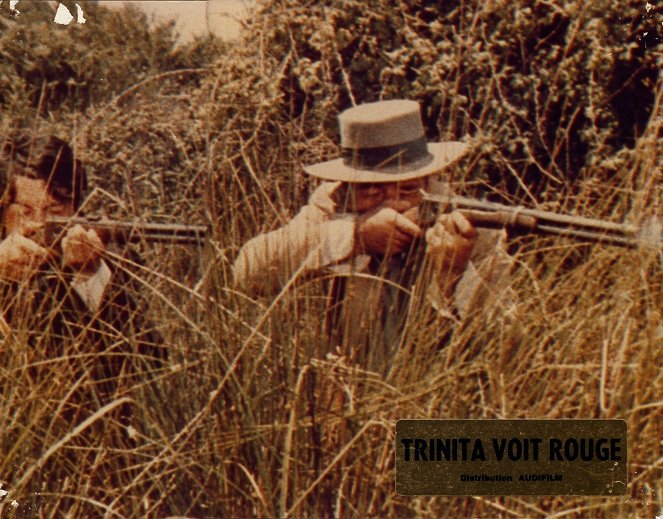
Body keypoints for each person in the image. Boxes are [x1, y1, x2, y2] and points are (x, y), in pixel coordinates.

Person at [233, 100, 512, 373]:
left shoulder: (469, 225)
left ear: (429, 181)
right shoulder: (331, 208)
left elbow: (508, 347)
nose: (394, 206)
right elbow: (247, 272)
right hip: (347, 392)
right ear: (348, 186)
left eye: (407, 190)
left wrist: (454, 276)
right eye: (373, 191)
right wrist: (355, 236)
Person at [0, 131, 166, 419]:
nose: (39, 224)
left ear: (75, 206)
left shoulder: (112, 261)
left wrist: (90, 280)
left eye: (54, 209)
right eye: (25, 210)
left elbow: (151, 364)